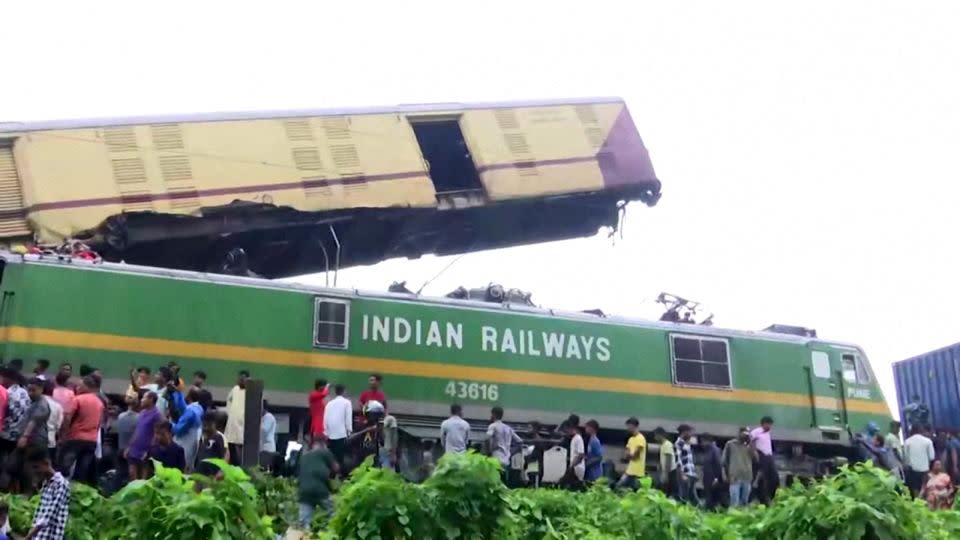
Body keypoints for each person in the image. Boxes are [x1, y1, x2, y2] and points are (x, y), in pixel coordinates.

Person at [58, 376, 104, 485]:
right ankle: (77, 494)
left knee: (63, 468)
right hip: (91, 441)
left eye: (80, 385)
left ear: (87, 386)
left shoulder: (78, 399)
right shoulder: (100, 403)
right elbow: (99, 423)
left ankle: (60, 491)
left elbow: (67, 417)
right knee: (81, 472)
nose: (77, 387)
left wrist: (63, 435)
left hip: (75, 438)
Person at [25, 447, 70, 540]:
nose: (35, 471)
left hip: (50, 535)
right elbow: (40, 512)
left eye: (36, 467)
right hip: (39, 535)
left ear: (46, 462)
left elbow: (48, 516)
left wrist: (27, 537)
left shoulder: (61, 484)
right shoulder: (46, 483)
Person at [297, 440, 338, 531]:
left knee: (304, 523)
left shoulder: (304, 457)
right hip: (320, 490)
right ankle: (331, 533)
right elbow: (336, 467)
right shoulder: (324, 452)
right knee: (334, 515)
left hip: (304, 491)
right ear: (323, 445)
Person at [126, 392, 161, 480]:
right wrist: (129, 446)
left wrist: (149, 450)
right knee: (132, 474)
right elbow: (137, 430)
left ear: (151, 399)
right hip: (135, 447)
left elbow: (156, 434)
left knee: (143, 476)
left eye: (144, 398)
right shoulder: (142, 412)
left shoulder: (157, 415)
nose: (141, 400)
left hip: (146, 449)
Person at [0, 367, 31, 466]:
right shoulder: (25, 392)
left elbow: (4, 414)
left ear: (8, 378)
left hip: (5, 434)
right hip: (18, 434)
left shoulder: (7, 393)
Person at [723, 427, 758, 507]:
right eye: (744, 434)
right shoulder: (730, 444)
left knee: (744, 501)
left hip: (747, 477)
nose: (745, 436)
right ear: (739, 434)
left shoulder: (749, 446)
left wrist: (751, 444)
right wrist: (724, 475)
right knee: (734, 501)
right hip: (735, 477)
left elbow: (756, 459)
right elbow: (724, 461)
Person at [486, 406, 522, 483]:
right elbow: (520, 441)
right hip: (506, 460)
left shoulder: (493, 426)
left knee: (494, 481)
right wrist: (511, 452)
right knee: (503, 481)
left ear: (493, 414)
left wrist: (489, 451)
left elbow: (487, 439)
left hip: (495, 458)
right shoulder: (508, 428)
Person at [172, 388, 204, 472]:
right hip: (192, 443)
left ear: (189, 396)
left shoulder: (191, 412)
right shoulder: (198, 408)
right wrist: (178, 393)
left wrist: (169, 423)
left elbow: (178, 430)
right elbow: (183, 408)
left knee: (181, 469)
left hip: (184, 443)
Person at [323, 383, 352, 471]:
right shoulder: (347, 402)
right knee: (341, 458)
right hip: (342, 434)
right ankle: (339, 475)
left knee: (332, 457)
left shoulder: (329, 404)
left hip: (331, 435)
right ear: (344, 391)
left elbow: (325, 419)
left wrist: (326, 433)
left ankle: (331, 475)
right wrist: (349, 431)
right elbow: (348, 418)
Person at [750, 416, 777, 503]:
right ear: (764, 424)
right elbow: (751, 441)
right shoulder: (757, 431)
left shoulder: (767, 433)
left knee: (773, 477)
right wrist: (755, 453)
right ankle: (760, 497)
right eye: (768, 424)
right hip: (762, 456)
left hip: (769, 457)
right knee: (762, 478)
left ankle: (770, 496)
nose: (770, 426)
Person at [903, 424, 936, 497]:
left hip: (912, 471)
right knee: (925, 490)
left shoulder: (907, 441)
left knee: (915, 491)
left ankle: (917, 505)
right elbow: (932, 457)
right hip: (925, 470)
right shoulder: (928, 441)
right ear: (921, 430)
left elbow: (906, 457)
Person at [224, 370, 249, 466]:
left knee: (240, 448)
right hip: (232, 423)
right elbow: (228, 400)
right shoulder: (234, 389)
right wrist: (229, 412)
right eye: (240, 378)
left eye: (243, 378)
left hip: (242, 425)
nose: (241, 380)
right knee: (229, 447)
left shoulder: (250, 391)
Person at [616, 418, 647, 490]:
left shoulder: (641, 438)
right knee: (619, 486)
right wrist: (630, 455)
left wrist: (630, 455)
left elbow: (636, 456)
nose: (628, 428)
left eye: (629, 426)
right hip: (629, 470)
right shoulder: (631, 439)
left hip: (638, 472)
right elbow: (627, 454)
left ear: (633, 426)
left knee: (636, 491)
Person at [114, 395, 139, 486]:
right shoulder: (138, 418)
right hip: (131, 450)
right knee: (131, 475)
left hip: (120, 447)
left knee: (119, 473)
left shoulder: (120, 416)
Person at [197, 412, 229, 476]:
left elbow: (226, 455)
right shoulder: (202, 437)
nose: (206, 428)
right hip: (201, 473)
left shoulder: (219, 437)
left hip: (214, 474)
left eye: (208, 425)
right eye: (204, 425)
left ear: (214, 424)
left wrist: (221, 471)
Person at [675, 424, 700, 505]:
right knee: (684, 497)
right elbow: (678, 461)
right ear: (684, 432)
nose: (691, 434)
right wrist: (682, 475)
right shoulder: (679, 443)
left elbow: (689, 461)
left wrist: (694, 473)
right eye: (689, 432)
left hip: (690, 475)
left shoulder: (687, 444)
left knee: (692, 497)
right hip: (685, 475)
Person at [41, 381, 63, 465]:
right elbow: (58, 426)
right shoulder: (58, 406)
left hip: (34, 440)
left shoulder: (35, 402)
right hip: (50, 439)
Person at [700, 433, 723, 509]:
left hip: (712, 478)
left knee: (711, 498)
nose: (702, 444)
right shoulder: (708, 450)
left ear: (708, 441)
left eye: (703, 441)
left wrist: (717, 478)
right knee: (709, 496)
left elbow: (718, 464)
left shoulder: (715, 450)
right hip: (707, 478)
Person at [653, 427, 677, 497]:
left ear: (660, 435)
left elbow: (668, 459)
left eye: (655, 435)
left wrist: (665, 474)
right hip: (667, 471)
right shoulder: (663, 445)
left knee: (668, 491)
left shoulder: (667, 444)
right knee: (664, 490)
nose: (655, 438)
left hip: (670, 472)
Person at [562, 421, 585, 490]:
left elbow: (580, 455)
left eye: (566, 430)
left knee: (574, 486)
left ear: (571, 429)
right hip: (575, 467)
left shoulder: (578, 438)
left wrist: (572, 466)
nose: (566, 432)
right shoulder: (574, 438)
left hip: (577, 468)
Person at [308, 379, 329, 444]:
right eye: (324, 386)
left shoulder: (318, 397)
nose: (324, 388)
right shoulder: (313, 395)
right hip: (317, 426)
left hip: (320, 425)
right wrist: (327, 387)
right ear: (319, 386)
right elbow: (324, 394)